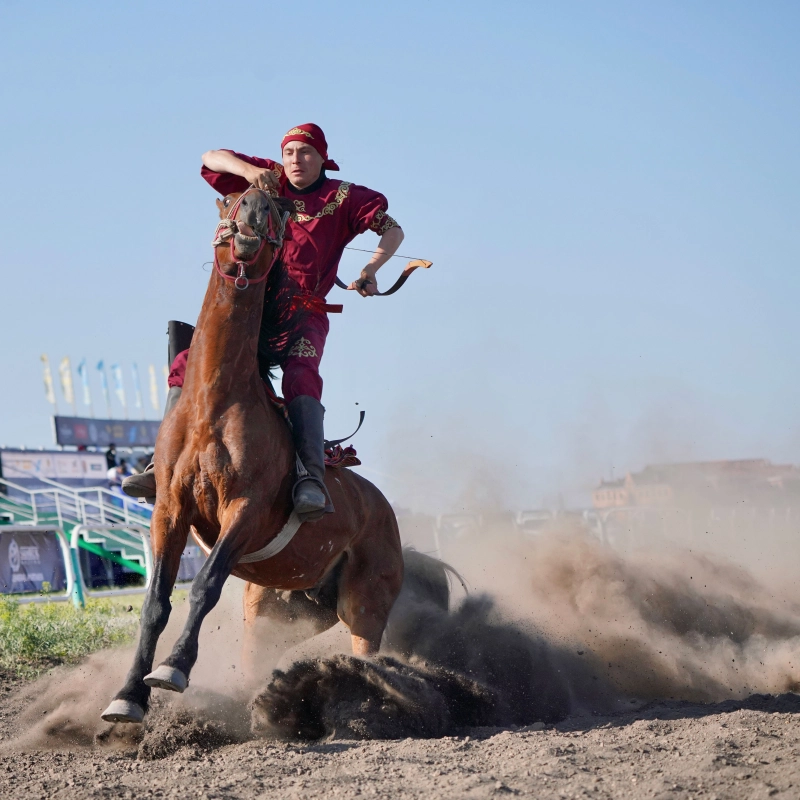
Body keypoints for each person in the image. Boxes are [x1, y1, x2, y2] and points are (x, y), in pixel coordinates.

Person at [122, 123, 404, 521]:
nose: (295, 160)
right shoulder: (268, 177)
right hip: (251, 310)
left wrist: (372, 268)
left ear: (323, 157)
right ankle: (161, 466)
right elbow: (210, 158)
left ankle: (310, 477)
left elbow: (392, 230)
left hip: (305, 314)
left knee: (301, 376)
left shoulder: (344, 197)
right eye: (289, 153)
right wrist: (248, 171)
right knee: (187, 363)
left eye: (305, 153)